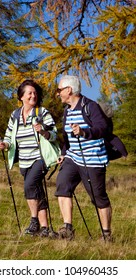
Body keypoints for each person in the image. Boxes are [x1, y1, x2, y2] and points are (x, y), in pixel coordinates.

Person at [0, 79, 59, 237]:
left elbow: (54, 134)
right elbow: (9, 136)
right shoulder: (15, 115)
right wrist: (4, 144)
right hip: (24, 160)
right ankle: (45, 229)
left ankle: (34, 222)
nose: (33, 95)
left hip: (40, 158)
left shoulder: (42, 112)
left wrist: (43, 131)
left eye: (35, 93)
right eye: (30, 93)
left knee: (29, 186)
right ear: (21, 97)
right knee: (37, 190)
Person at [55, 75, 112, 241]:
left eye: (59, 90)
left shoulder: (90, 107)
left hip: (93, 158)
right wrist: (64, 153)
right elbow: (67, 137)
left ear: (69, 90)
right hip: (74, 157)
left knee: (98, 197)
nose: (58, 94)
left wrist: (84, 132)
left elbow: (103, 128)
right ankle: (67, 229)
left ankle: (106, 235)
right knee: (62, 185)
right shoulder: (67, 111)